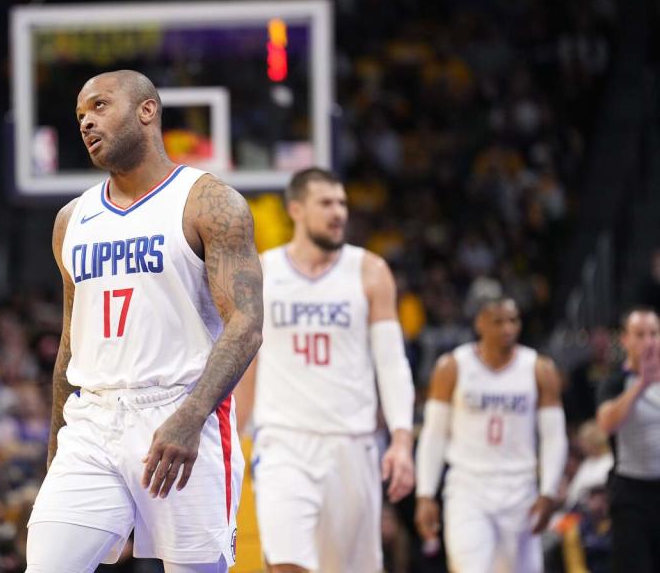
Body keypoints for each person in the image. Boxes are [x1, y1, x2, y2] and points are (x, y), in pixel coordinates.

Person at [25, 70, 263, 573]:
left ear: (147, 111)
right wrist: (55, 456)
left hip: (179, 408)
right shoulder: (72, 218)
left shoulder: (209, 202)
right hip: (92, 425)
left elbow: (246, 322)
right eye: (80, 115)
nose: (87, 122)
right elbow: (71, 345)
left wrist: (192, 415)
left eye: (100, 106)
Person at [233, 167, 416, 573]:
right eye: (326, 203)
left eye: (342, 203)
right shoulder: (262, 272)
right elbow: (247, 365)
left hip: (352, 442)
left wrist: (401, 439)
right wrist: (230, 441)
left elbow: (391, 361)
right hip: (283, 442)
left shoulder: (370, 271)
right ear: (296, 209)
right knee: (286, 563)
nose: (338, 213)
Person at [415, 296, 568, 572]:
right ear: (480, 324)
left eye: (513, 320)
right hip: (468, 487)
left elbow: (554, 436)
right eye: (498, 321)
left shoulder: (539, 368)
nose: (507, 328)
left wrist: (548, 490)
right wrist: (425, 493)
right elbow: (434, 434)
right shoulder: (452, 366)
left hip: (520, 489)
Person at [595, 306, 660, 572]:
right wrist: (641, 385)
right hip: (631, 494)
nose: (648, 341)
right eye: (639, 334)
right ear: (625, 340)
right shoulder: (614, 382)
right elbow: (607, 423)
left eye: (654, 334)